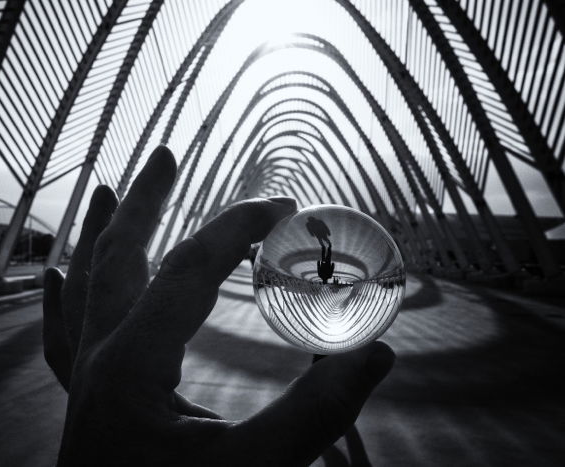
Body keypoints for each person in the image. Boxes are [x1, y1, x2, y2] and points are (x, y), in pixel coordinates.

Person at [42, 146, 395, 466]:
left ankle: (326, 370)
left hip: (329, 319)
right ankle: (327, 371)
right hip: (331, 321)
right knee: (332, 368)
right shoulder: (323, 275)